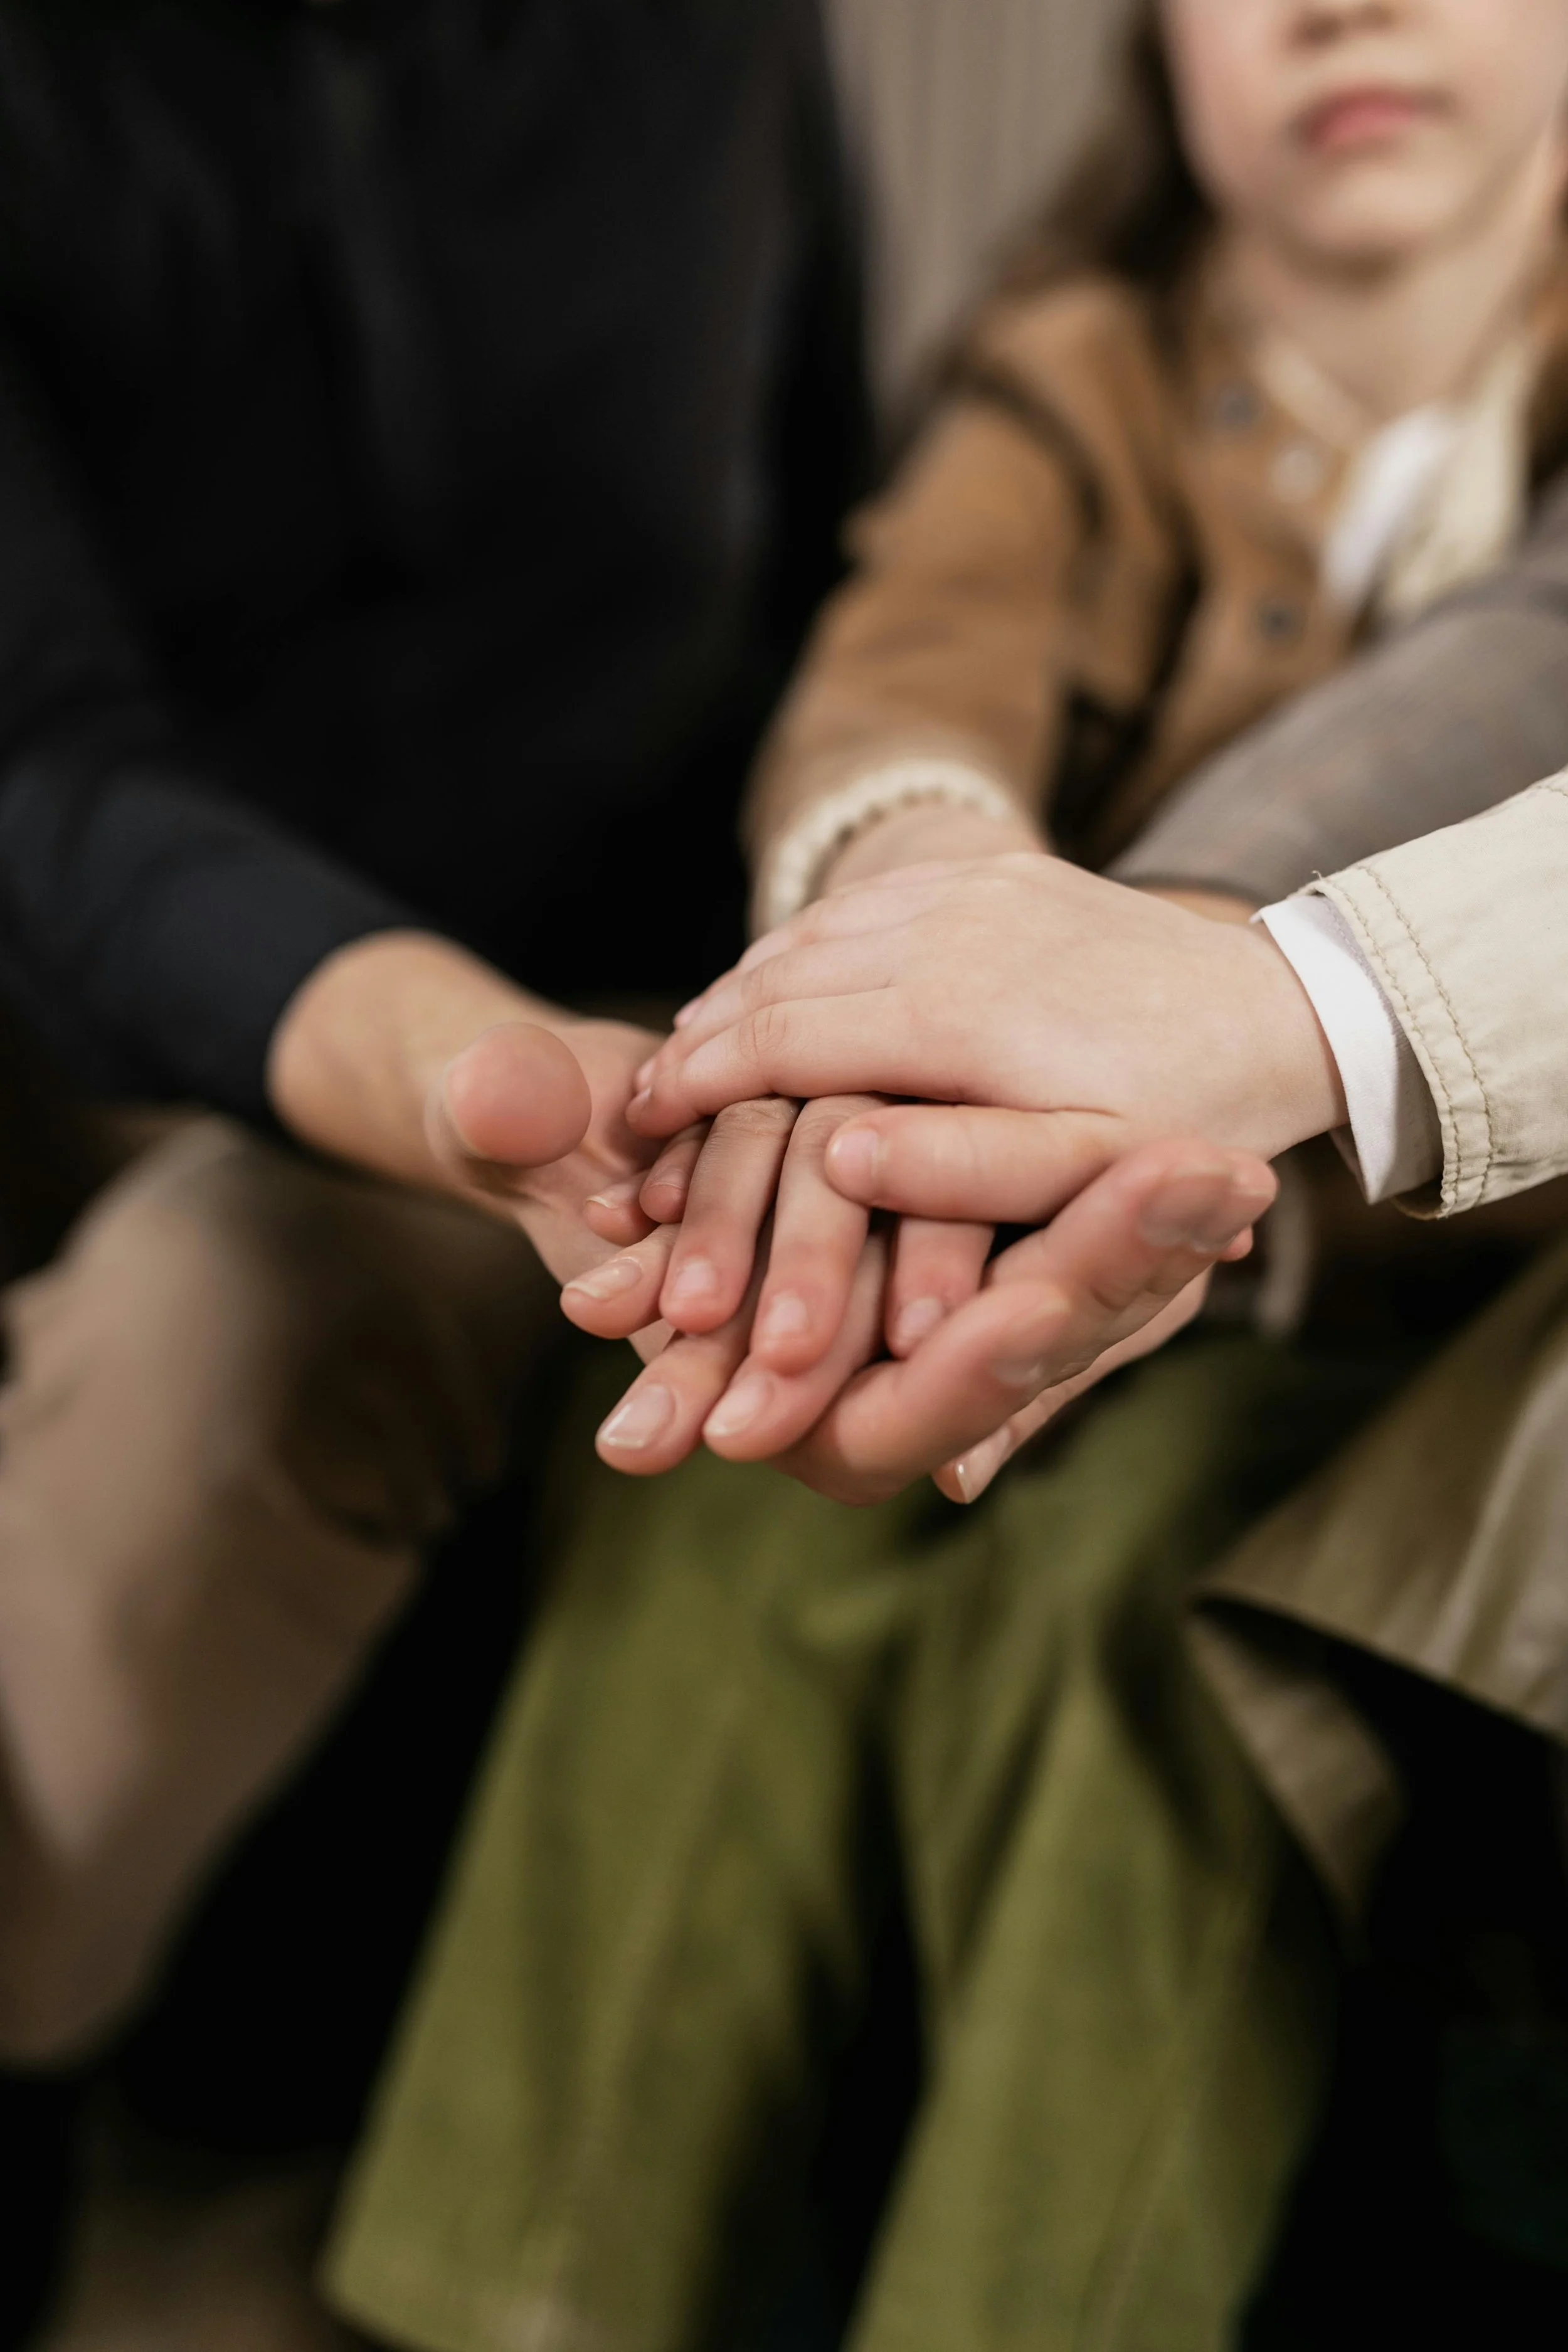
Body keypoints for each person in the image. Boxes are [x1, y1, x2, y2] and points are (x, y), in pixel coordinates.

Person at [320, 6, 1568, 2350]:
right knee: (725, 1467)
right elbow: (917, 668)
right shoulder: (1078, 370)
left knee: (1132, 1572)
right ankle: (502, 2295)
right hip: (1034, 1252)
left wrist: (1106, 1002)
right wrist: (910, 929)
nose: (1347, 11)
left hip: (1412, 1338)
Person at [0, 0, 871, 2336]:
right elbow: (35, 776)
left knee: (265, 1310)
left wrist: (822, 1007)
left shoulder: (718, 54)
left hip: (598, 1044)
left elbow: (827, 577)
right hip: (148, 1002)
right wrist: (438, 1053)